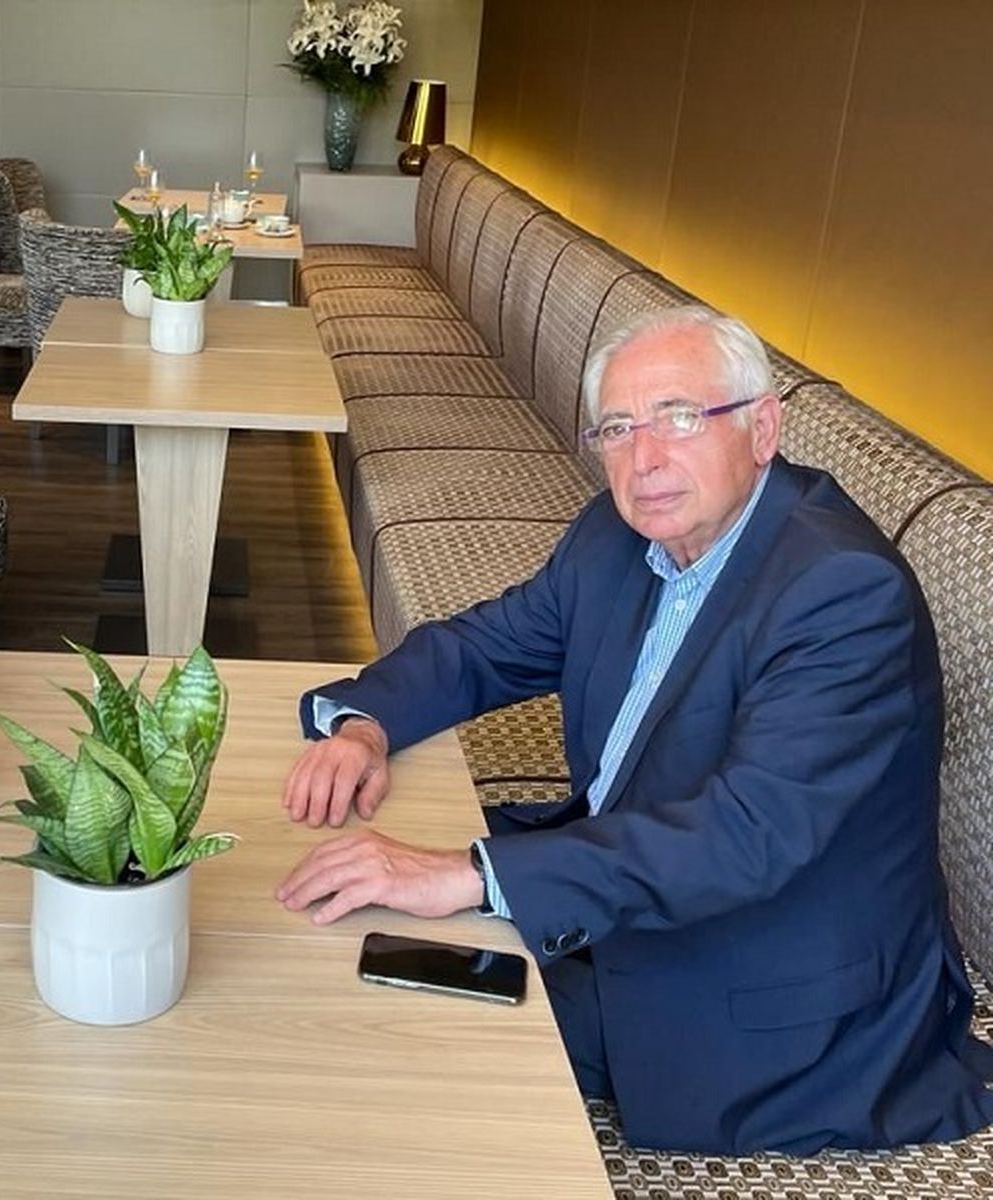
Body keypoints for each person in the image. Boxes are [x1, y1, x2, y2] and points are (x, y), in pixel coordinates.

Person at [275, 307, 993, 1154]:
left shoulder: (840, 594)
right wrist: (364, 726)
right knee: (328, 930)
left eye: (680, 418)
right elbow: (486, 648)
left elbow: (743, 837)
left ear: (763, 429)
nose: (644, 459)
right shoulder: (617, 536)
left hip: (771, 990)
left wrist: (468, 875)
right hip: (634, 888)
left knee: (384, 1043)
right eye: (618, 428)